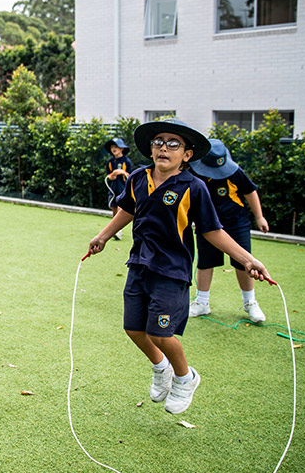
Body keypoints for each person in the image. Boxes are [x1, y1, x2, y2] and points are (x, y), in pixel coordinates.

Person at [87, 119, 272, 415]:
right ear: (150, 149)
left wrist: (248, 259)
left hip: (172, 271)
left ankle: (186, 377)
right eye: (159, 141)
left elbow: (212, 231)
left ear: (187, 154)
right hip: (139, 264)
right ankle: (162, 369)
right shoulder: (138, 177)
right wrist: (103, 236)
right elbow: (128, 210)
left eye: (174, 143)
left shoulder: (194, 187)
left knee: (161, 332)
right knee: (133, 328)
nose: (164, 147)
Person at [188, 139, 270, 323]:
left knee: (243, 262)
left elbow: (250, 192)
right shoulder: (193, 173)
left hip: (236, 222)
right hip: (207, 224)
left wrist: (259, 217)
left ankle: (250, 302)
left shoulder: (236, 172)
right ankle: (202, 302)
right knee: (205, 262)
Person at [103, 137, 133, 240]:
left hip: (123, 187)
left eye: (116, 147)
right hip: (113, 188)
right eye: (112, 147)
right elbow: (108, 175)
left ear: (122, 149)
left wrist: (122, 172)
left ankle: (119, 230)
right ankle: (115, 228)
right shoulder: (110, 162)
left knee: (121, 207)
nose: (114, 149)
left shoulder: (126, 161)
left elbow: (130, 175)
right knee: (114, 207)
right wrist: (112, 176)